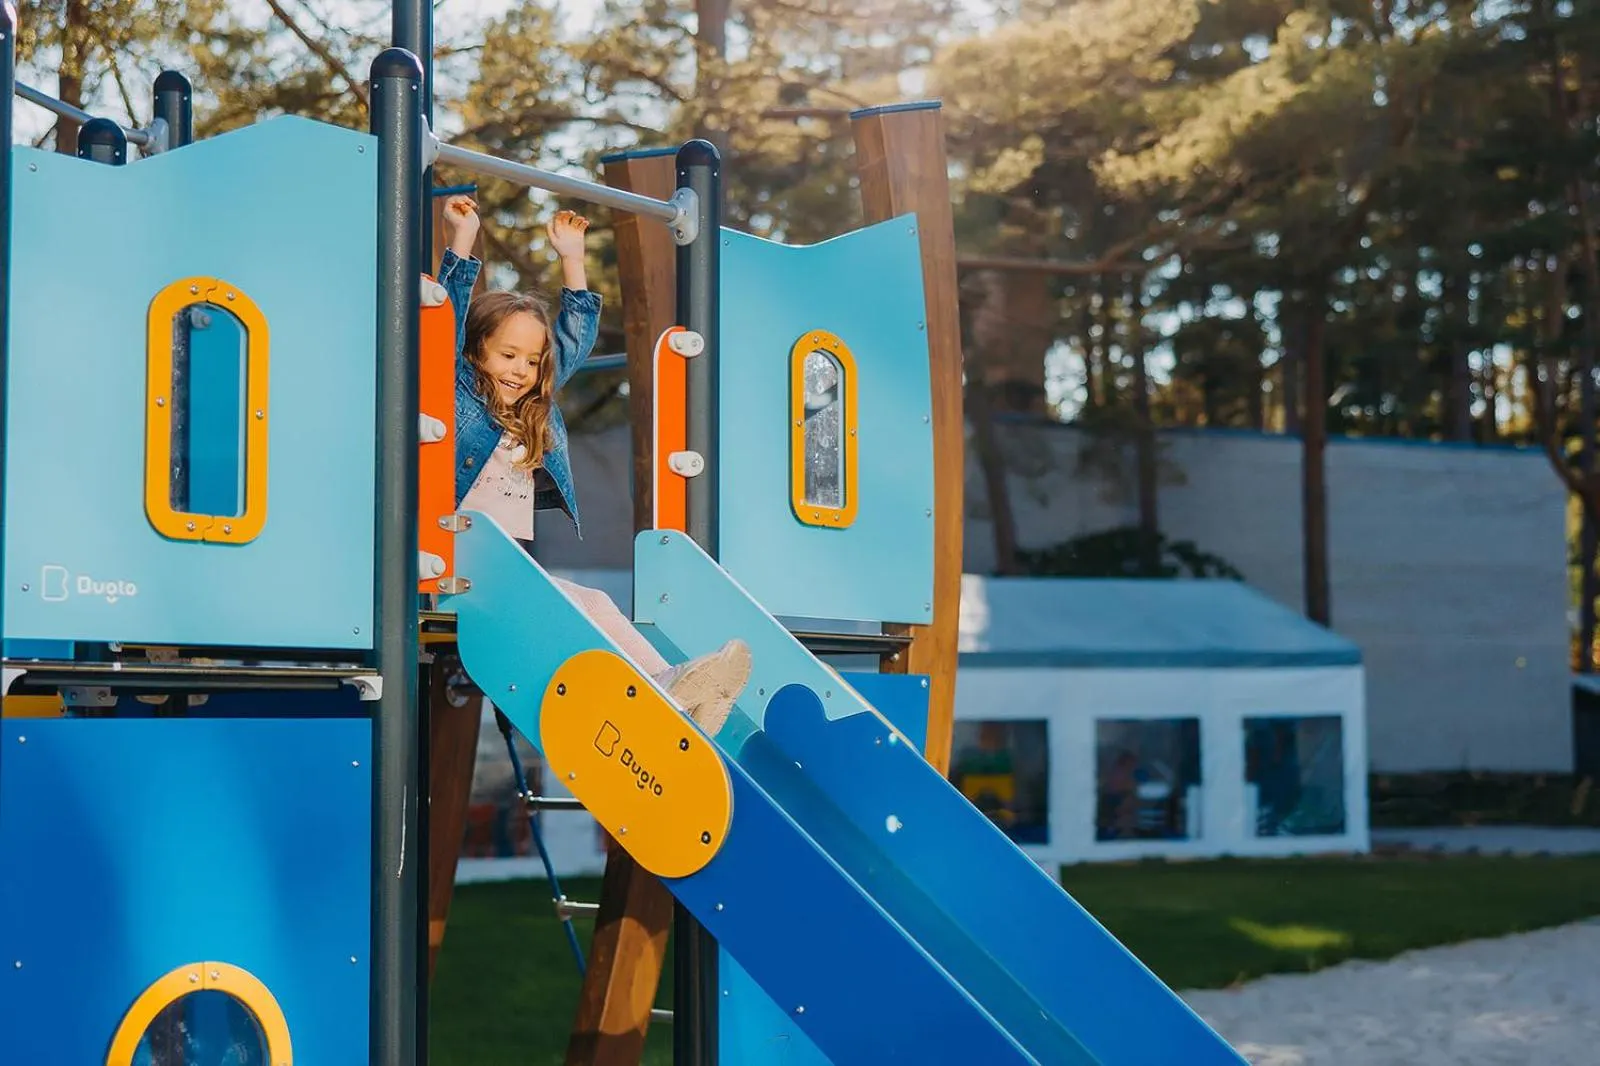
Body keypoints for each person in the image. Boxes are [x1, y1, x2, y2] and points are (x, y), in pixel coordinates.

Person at [435, 194, 749, 734]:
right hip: (455, 567)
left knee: (593, 599)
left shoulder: (533, 411)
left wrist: (573, 260)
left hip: (501, 567)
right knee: (570, 607)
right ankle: (660, 686)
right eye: (506, 355)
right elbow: (444, 325)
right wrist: (461, 243)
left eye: (531, 361)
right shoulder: (461, 398)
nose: (520, 370)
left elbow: (570, 345)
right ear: (475, 354)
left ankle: (670, 684)